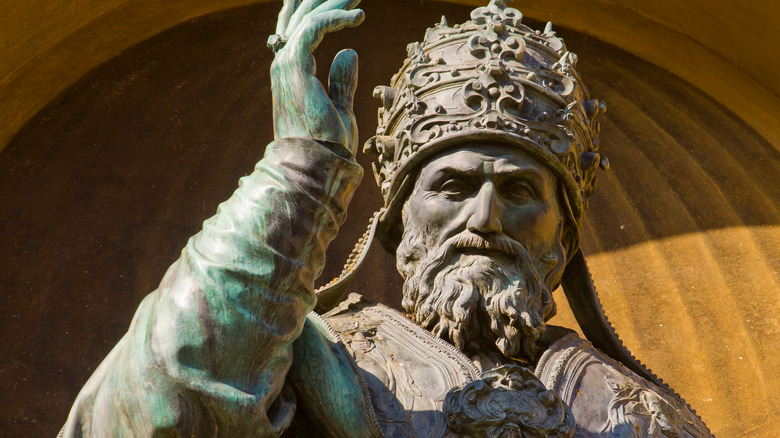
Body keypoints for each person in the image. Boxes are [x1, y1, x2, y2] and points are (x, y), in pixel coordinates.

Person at [61, 0, 712, 436]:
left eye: (518, 191)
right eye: (453, 186)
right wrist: (301, 172)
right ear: (398, 224)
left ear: (562, 242)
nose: (484, 219)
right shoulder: (301, 357)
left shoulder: (642, 416)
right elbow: (159, 396)